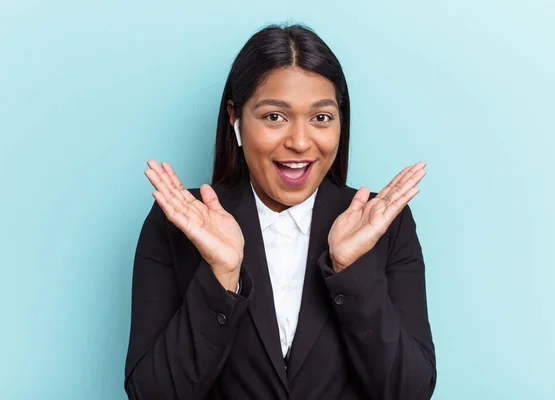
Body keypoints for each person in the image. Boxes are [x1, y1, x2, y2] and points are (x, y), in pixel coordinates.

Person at [124, 23, 436, 400]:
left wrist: (350, 271)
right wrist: (223, 277)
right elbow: (151, 394)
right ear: (235, 119)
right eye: (275, 116)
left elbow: (410, 391)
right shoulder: (178, 222)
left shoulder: (385, 225)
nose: (300, 141)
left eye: (321, 117)